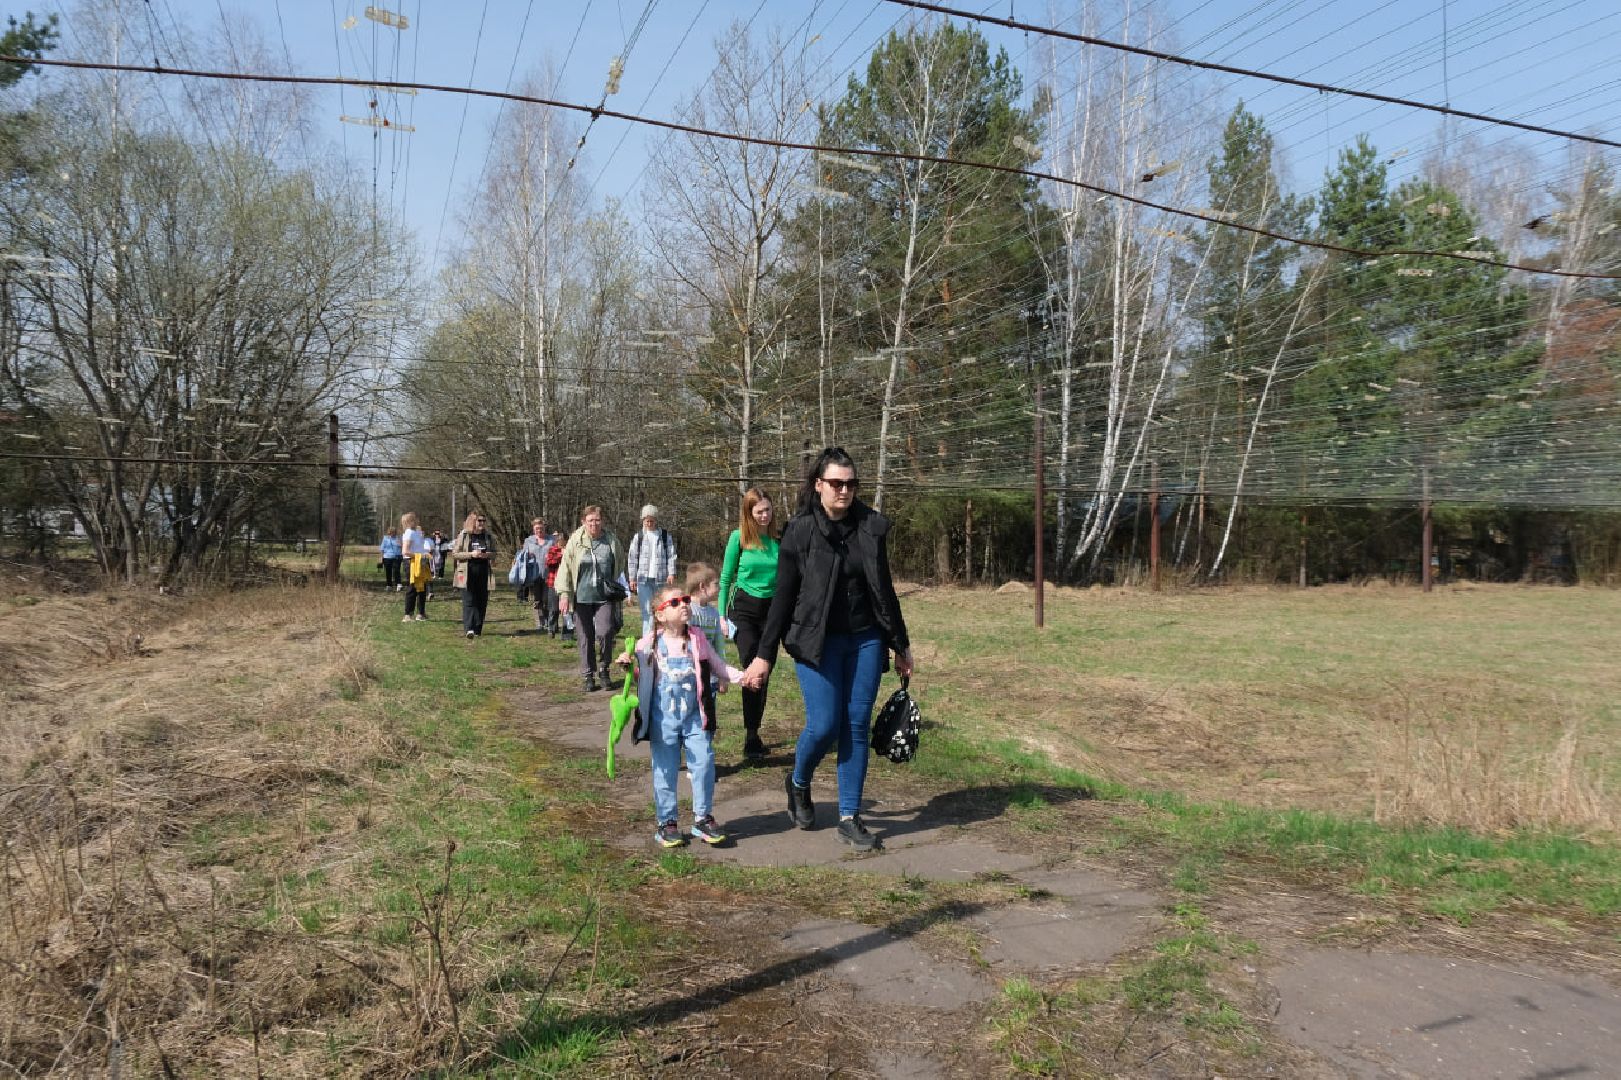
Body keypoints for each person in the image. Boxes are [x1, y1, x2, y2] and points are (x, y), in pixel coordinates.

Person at [741, 448, 914, 852]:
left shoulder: (870, 527)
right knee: (823, 725)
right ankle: (798, 781)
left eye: (851, 483)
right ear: (818, 485)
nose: (845, 490)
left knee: (854, 725)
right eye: (836, 483)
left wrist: (900, 644)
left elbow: (884, 591)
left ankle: (850, 817)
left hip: (865, 639)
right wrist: (764, 655)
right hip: (815, 642)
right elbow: (783, 599)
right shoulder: (799, 532)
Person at [619, 584, 742, 849]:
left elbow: (718, 666)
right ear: (660, 615)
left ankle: (703, 818)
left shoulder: (697, 638)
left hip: (695, 717)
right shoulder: (650, 642)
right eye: (675, 603)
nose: (684, 604)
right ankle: (667, 823)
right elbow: (635, 665)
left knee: (705, 763)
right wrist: (627, 661)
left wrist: (743, 678)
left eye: (685, 600)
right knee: (665, 770)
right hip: (663, 720)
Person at [719, 487, 780, 759]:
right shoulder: (739, 539)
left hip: (771, 612)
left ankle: (754, 732)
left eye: (768, 510)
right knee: (751, 668)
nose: (764, 516)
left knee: (764, 671)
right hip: (743, 610)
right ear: (749, 514)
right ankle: (751, 736)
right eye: (759, 512)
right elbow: (725, 579)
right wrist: (721, 616)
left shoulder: (778, 540)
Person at [556, 505, 625, 692]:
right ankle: (588, 674)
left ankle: (604, 669)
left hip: (604, 597)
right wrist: (564, 594)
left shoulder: (610, 540)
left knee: (606, 631)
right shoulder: (575, 541)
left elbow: (619, 563)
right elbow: (565, 569)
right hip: (582, 597)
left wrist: (618, 587)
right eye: (590, 520)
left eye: (597, 520)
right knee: (585, 636)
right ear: (583, 522)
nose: (594, 524)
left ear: (602, 521)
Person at [626, 504, 678, 637]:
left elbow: (671, 556)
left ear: (656, 520)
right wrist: (632, 578)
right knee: (647, 612)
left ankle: (662, 639)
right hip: (643, 580)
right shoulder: (639, 537)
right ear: (643, 520)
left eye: (651, 520)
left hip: (661, 580)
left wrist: (671, 573)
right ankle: (647, 643)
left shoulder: (665, 536)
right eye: (646, 520)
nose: (649, 523)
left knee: (662, 610)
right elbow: (632, 558)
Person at [450, 511, 496, 638]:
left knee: (482, 601)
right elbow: (455, 553)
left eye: (483, 521)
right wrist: (471, 554)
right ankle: (469, 628)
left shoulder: (487, 536)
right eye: (479, 520)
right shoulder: (464, 535)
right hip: (467, 572)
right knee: (469, 600)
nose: (482, 523)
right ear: (473, 522)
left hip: (483, 572)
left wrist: (487, 555)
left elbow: (494, 553)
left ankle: (477, 628)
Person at [511, 518, 550, 627]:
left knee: (546, 599)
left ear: (545, 527)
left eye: (541, 528)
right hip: (533, 575)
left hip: (549, 575)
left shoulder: (552, 540)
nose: (539, 530)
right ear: (533, 529)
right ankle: (539, 623)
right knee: (536, 600)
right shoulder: (529, 541)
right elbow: (522, 557)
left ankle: (547, 621)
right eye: (537, 528)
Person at [401, 512, 431, 622]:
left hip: (420, 561)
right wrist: (419, 556)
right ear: (411, 521)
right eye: (415, 519)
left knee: (422, 587)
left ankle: (421, 613)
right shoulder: (409, 533)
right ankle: (408, 615)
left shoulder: (416, 532)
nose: (418, 520)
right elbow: (405, 551)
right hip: (412, 562)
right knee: (413, 587)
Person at [379, 527, 403, 591]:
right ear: (389, 532)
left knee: (396, 570)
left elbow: (403, 546)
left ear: (395, 532)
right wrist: (381, 558)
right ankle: (389, 585)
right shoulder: (385, 538)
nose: (392, 534)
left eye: (393, 532)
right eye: (391, 532)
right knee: (388, 571)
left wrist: (400, 544)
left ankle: (399, 584)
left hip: (397, 556)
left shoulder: (399, 538)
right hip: (387, 557)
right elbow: (382, 548)